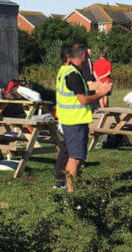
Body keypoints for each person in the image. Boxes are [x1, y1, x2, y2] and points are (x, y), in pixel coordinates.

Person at [56, 45, 112, 192]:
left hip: (71, 120)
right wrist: (101, 93)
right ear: (82, 56)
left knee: (77, 157)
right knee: (75, 158)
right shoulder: (72, 74)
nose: (88, 60)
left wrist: (99, 86)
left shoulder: (68, 71)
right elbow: (83, 100)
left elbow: (84, 88)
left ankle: (75, 188)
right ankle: (71, 193)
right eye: (86, 57)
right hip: (74, 121)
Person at [54, 44, 73, 190]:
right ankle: (61, 181)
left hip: (65, 116)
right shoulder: (67, 72)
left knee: (66, 149)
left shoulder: (62, 71)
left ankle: (62, 179)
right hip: (67, 117)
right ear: (68, 58)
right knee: (67, 150)